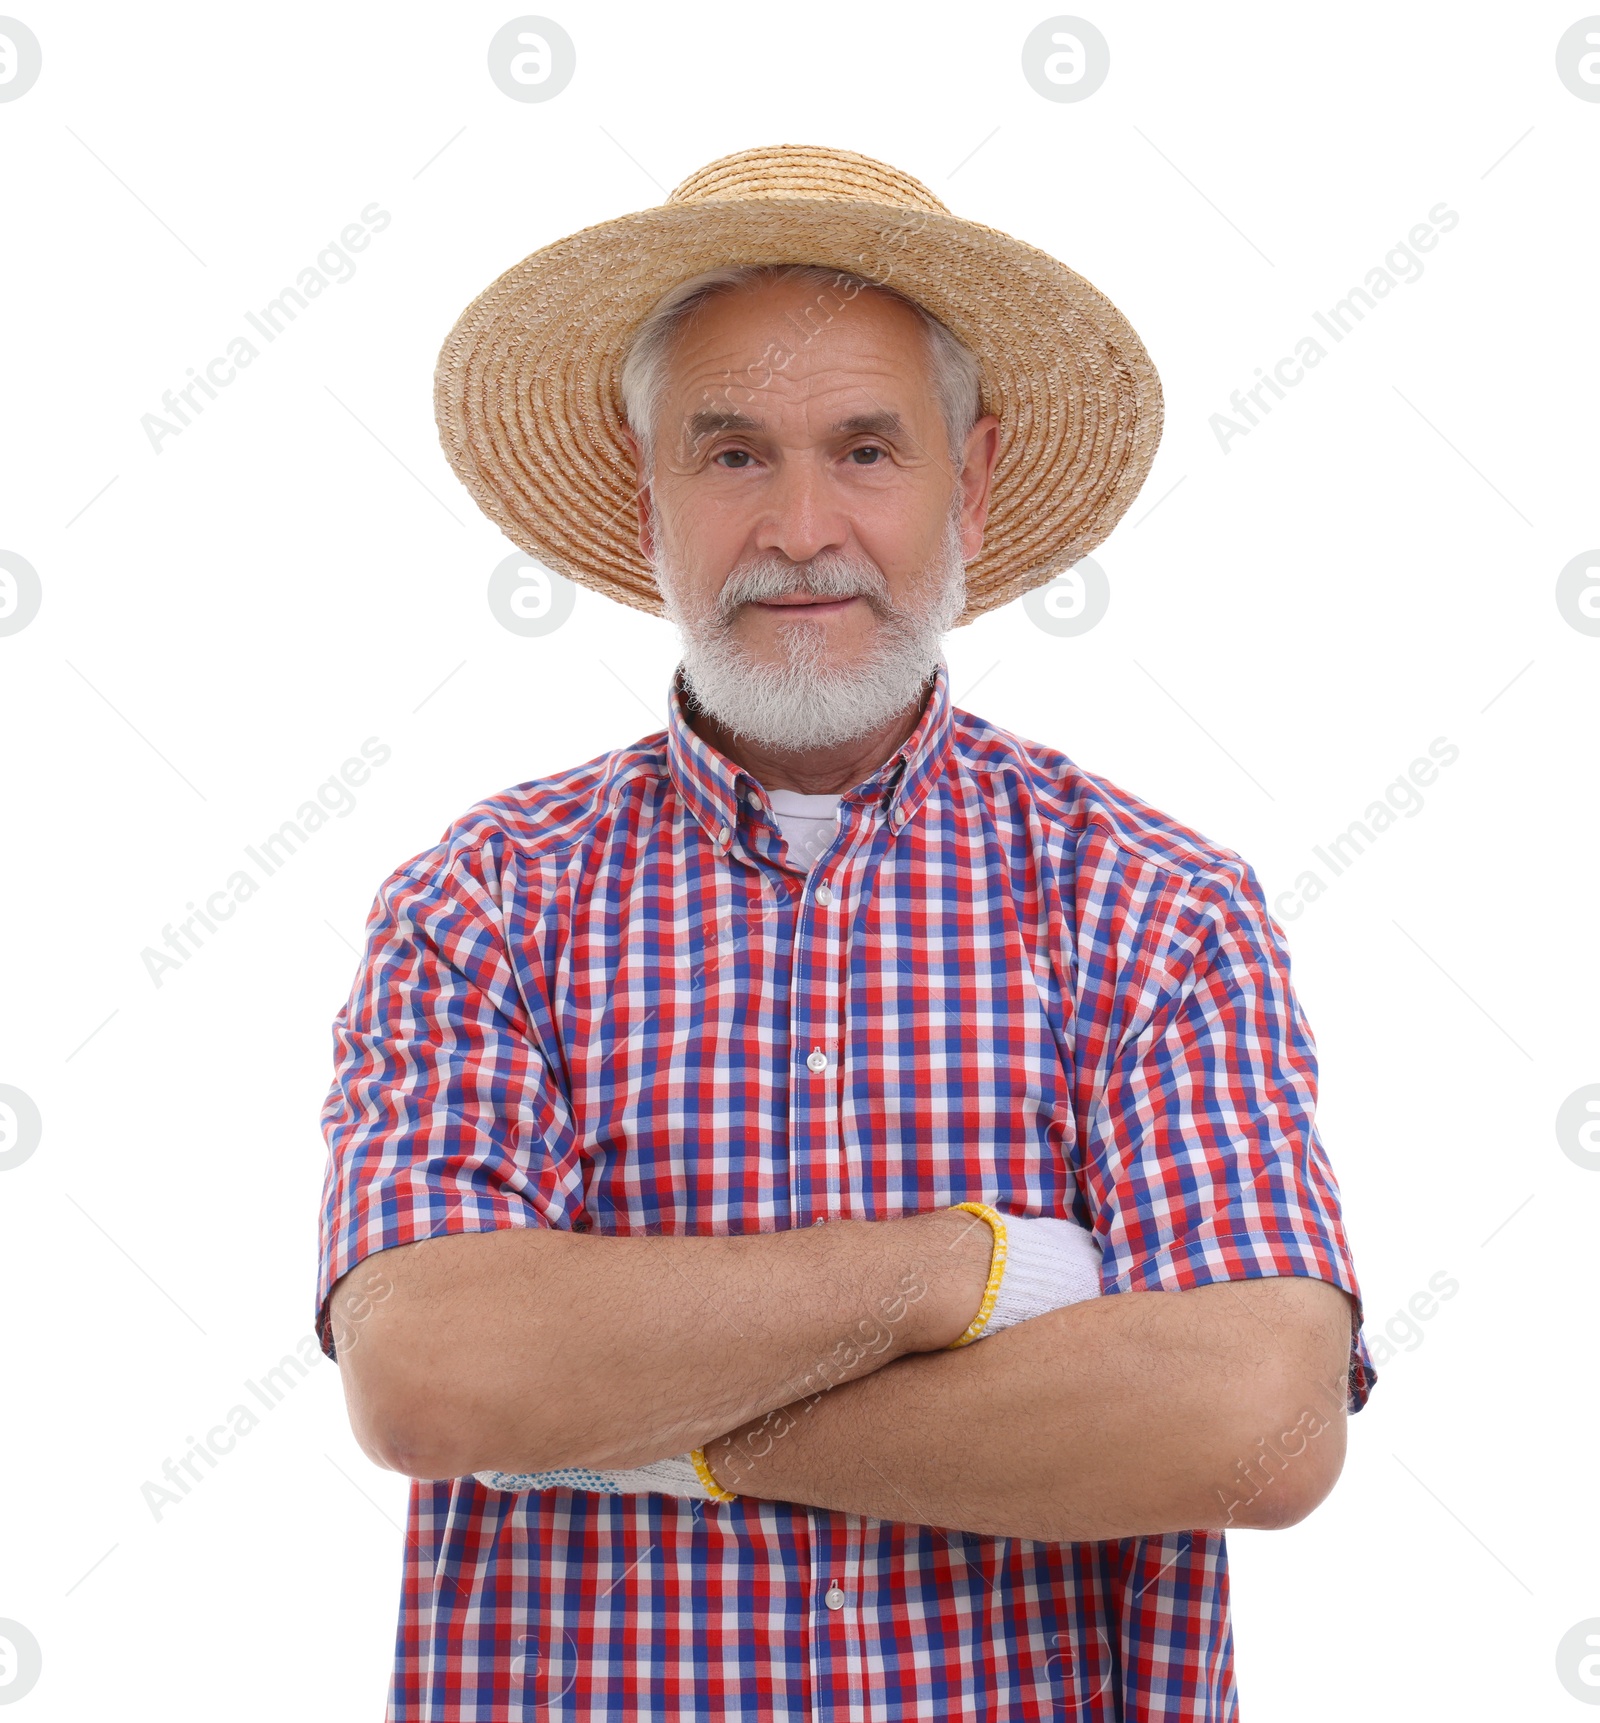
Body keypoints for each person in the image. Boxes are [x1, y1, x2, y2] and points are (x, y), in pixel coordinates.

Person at [317, 143, 1376, 1722]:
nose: (803, 527)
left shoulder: (1158, 908)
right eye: (733, 452)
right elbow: (436, 1379)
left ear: (977, 477)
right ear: (643, 485)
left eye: (867, 450)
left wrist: (638, 1422)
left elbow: (1259, 1424)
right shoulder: (481, 905)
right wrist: (976, 1272)